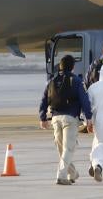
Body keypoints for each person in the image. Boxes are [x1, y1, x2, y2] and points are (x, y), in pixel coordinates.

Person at [39, 55, 92, 185]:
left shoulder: (51, 81)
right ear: (73, 67)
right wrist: (89, 117)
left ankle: (72, 173)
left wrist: (42, 118)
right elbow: (84, 100)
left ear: (60, 66)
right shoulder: (76, 80)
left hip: (55, 118)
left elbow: (44, 99)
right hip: (70, 118)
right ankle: (61, 176)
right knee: (68, 149)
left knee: (62, 149)